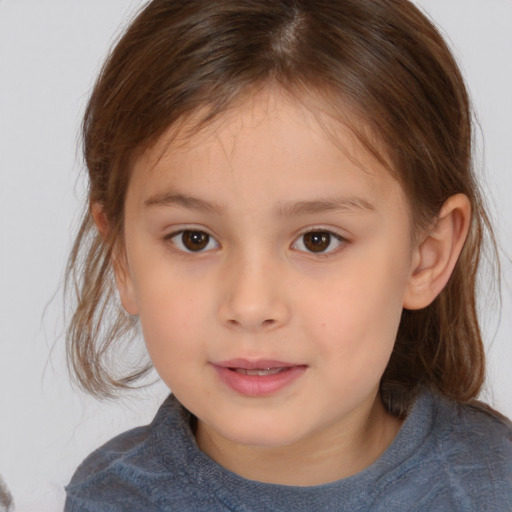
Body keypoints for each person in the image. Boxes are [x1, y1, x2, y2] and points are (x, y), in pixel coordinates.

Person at [63, 0, 512, 510]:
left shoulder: (493, 487)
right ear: (122, 255)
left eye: (318, 240)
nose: (251, 306)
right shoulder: (108, 499)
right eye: (194, 239)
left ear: (425, 257)